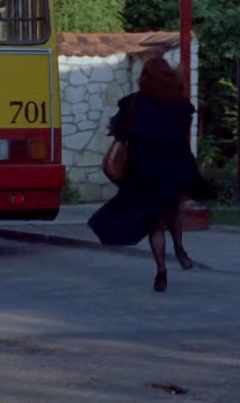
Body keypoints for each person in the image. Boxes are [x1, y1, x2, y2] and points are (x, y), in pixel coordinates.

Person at [87, 57, 206, 293]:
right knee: (171, 210)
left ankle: (161, 270)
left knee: (155, 223)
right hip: (174, 167)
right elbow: (182, 136)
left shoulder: (134, 104)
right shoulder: (181, 106)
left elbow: (118, 129)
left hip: (144, 170)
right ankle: (180, 248)